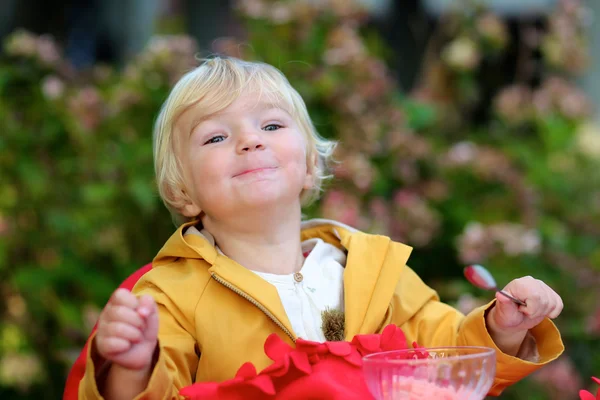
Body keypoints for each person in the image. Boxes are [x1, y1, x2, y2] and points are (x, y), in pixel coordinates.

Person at [77, 57, 564, 400]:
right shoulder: (169, 295)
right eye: (217, 136)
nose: (249, 142)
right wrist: (132, 367)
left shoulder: (373, 270)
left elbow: (448, 363)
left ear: (309, 165)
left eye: (270, 127)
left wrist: (503, 329)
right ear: (183, 190)